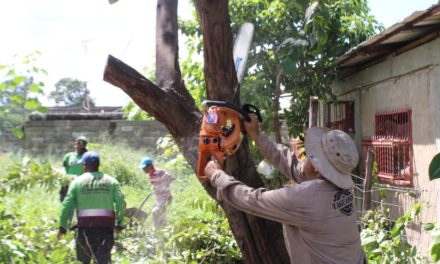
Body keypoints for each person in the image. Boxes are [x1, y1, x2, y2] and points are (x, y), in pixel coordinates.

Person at [204, 116, 366, 264]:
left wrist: (216, 175)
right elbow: (295, 166)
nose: (306, 159)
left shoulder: (305, 198)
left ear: (318, 168)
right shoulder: (341, 189)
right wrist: (257, 137)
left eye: (311, 156)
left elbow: (253, 200)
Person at [58, 151, 126, 264]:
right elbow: (120, 203)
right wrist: (120, 224)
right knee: (102, 261)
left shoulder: (76, 182)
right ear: (98, 164)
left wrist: (62, 226)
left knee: (83, 261)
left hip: (85, 229)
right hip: (105, 229)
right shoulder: (112, 181)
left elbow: (66, 205)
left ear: (84, 165)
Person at [139, 157, 175, 230]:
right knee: (161, 213)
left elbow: (169, 179)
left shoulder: (158, 172)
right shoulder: (151, 174)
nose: (143, 170)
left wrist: (168, 195)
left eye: (144, 168)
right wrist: (155, 188)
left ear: (150, 166)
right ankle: (163, 228)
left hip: (164, 196)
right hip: (158, 196)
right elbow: (156, 183)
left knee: (155, 212)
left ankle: (156, 230)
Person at [60, 136, 88, 202]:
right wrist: (64, 175)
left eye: (82, 144)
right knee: (67, 203)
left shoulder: (87, 156)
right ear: (75, 144)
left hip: (81, 184)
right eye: (78, 143)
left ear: (84, 146)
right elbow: (64, 167)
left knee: (80, 204)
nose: (79, 146)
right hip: (68, 182)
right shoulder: (69, 156)